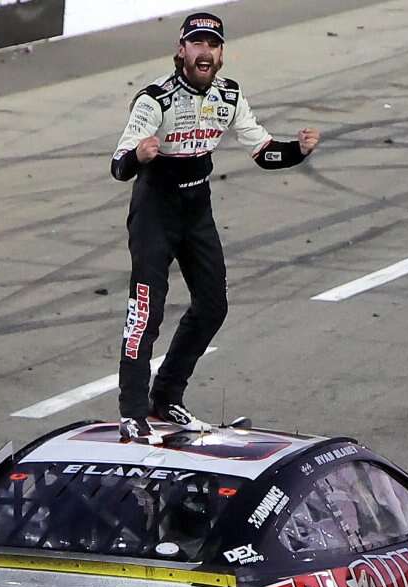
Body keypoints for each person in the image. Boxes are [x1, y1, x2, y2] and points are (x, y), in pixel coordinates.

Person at [111, 11, 321, 442]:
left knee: (212, 305)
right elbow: (118, 165)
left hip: (196, 209)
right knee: (144, 314)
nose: (205, 52)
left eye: (213, 45)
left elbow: (263, 152)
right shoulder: (155, 99)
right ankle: (133, 411)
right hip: (155, 210)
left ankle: (167, 394)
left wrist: (297, 151)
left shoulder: (229, 96)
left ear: (221, 54)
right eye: (197, 44)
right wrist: (139, 156)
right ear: (181, 50)